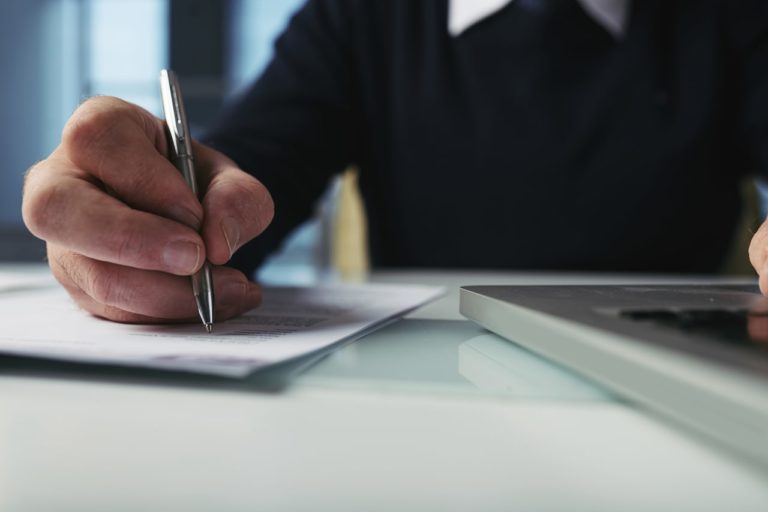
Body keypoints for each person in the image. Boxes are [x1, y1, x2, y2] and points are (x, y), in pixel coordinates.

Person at [20, 0, 768, 324]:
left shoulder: (734, 17)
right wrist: (143, 207)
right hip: (420, 407)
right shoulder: (362, 17)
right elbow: (239, 183)